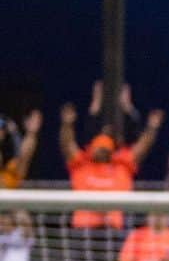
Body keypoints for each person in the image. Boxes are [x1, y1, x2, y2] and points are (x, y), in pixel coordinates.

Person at [59, 95, 163, 229]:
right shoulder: (82, 165)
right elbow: (67, 145)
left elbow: (142, 148)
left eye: (104, 149)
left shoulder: (121, 167)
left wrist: (152, 127)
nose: (100, 152)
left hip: (112, 232)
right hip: (83, 231)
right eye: (98, 148)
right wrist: (67, 124)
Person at [0, 109, 42, 188]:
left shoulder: (30, 141)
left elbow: (22, 158)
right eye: (34, 120)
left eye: (39, 120)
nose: (2, 131)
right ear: (26, 122)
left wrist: (14, 133)